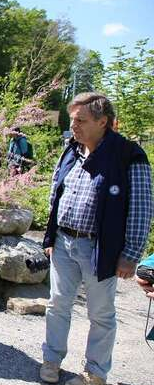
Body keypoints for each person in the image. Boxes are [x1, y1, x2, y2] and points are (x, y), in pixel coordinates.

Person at [39, 93, 153, 385]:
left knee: (101, 314)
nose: (73, 125)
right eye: (73, 119)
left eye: (81, 120)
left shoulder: (130, 155)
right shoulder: (71, 151)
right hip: (64, 242)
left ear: (103, 122)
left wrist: (130, 254)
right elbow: (57, 194)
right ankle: (51, 360)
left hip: (99, 248)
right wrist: (50, 235)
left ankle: (95, 373)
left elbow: (142, 208)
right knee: (57, 305)